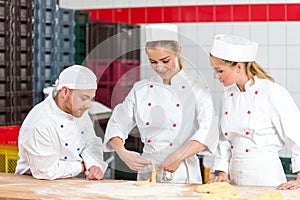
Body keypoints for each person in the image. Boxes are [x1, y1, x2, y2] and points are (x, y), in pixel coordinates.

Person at [103, 23, 218, 183]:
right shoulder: (141, 89)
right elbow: (117, 124)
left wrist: (178, 155)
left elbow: (207, 132)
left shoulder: (198, 90)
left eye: (165, 60)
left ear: (178, 50)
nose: (160, 67)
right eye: (153, 61)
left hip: (182, 174)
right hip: (147, 172)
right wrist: (123, 152)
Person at [208, 34, 300, 189]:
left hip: (266, 176)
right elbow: (225, 140)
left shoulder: (272, 92)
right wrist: (222, 172)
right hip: (235, 176)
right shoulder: (227, 96)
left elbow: (297, 135)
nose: (215, 76)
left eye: (219, 70)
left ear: (238, 67)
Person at [16, 65, 108, 180]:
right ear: (65, 92)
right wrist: (82, 167)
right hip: (36, 185)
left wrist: (93, 165)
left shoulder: (78, 111)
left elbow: (90, 142)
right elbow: (45, 171)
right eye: (84, 98)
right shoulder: (40, 122)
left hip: (71, 182)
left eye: (91, 98)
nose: (88, 105)